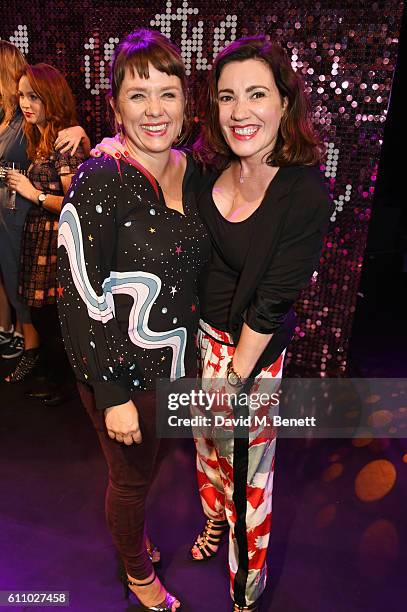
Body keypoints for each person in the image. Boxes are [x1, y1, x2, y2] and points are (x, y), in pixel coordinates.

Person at [92, 35, 332, 612]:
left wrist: (231, 378)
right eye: (227, 97)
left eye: (256, 94)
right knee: (206, 452)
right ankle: (213, 523)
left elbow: (272, 301)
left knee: (249, 473)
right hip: (197, 346)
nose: (240, 111)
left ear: (284, 103)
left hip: (250, 358)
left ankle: (245, 587)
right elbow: (159, 160)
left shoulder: (304, 191)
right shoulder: (208, 165)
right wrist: (110, 146)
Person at [57, 29, 210, 611]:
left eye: (167, 94)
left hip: (174, 368)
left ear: (186, 103)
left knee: (148, 467)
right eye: (138, 94)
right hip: (118, 369)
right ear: (116, 104)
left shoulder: (195, 172)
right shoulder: (102, 180)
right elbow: (77, 297)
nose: (154, 110)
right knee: (131, 481)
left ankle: (136, 542)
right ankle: (137, 575)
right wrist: (112, 391)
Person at [0, 40, 89, 380]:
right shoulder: (38, 137)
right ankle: (52, 379)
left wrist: (32, 193)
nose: (25, 103)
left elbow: (75, 205)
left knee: (52, 322)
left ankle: (62, 386)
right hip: (36, 240)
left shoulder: (63, 142)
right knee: (42, 318)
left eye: (33, 96)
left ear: (51, 98)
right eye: (22, 95)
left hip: (55, 245)